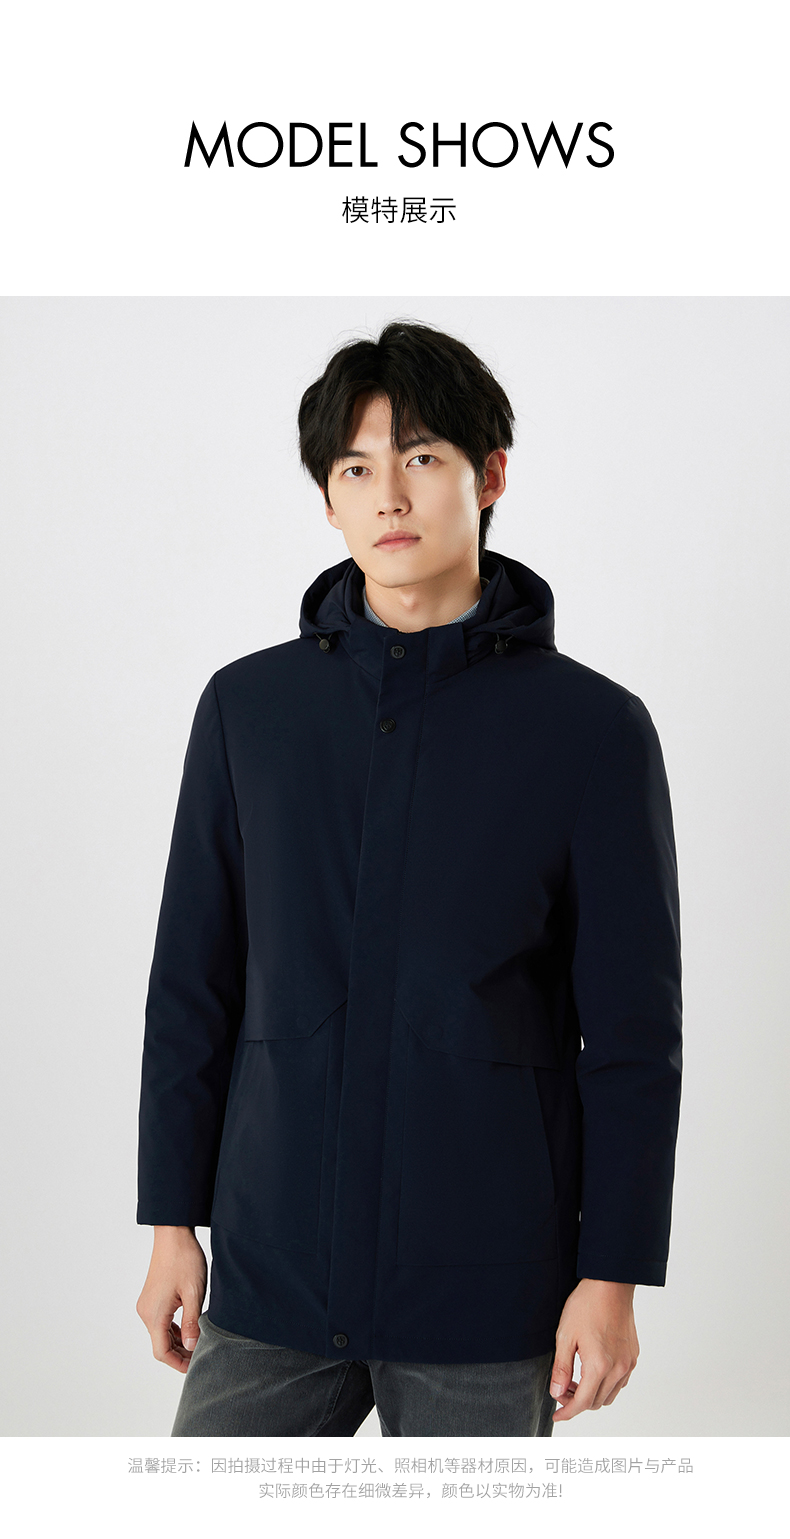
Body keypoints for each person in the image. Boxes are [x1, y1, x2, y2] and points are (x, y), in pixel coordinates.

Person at [136, 320, 682, 1437]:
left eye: (422, 457)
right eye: (355, 469)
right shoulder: (248, 712)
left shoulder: (593, 730)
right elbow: (193, 984)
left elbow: (633, 1033)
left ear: (490, 476)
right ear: (327, 501)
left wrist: (613, 1273)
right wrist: (170, 1223)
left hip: (490, 1287)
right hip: (274, 1269)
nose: (388, 495)